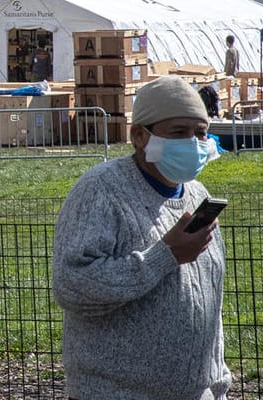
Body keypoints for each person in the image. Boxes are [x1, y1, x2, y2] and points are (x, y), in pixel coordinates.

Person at [53, 76, 228, 400]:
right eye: (179, 132)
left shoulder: (197, 195)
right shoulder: (101, 190)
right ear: (139, 136)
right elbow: (73, 285)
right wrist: (164, 256)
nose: (193, 142)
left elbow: (208, 303)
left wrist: (217, 384)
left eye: (200, 133)